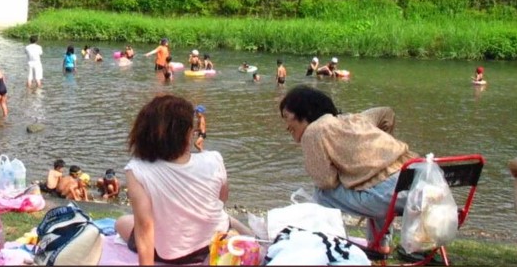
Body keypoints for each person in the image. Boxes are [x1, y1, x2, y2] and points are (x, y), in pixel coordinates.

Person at [116, 95, 250, 265]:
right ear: (187, 133)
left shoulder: (137, 170)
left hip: (173, 254)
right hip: (214, 243)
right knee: (221, 216)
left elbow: (145, 227)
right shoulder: (214, 159)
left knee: (121, 222)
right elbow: (222, 198)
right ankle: (239, 226)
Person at [278, 85, 417, 242]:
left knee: (322, 193)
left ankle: (327, 243)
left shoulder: (313, 131)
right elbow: (386, 113)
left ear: (305, 113)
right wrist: (380, 152)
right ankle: (378, 245)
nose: (286, 126)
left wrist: (345, 174)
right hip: (420, 183)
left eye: (286, 116)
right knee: (368, 183)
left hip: (390, 196)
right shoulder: (354, 119)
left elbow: (326, 182)